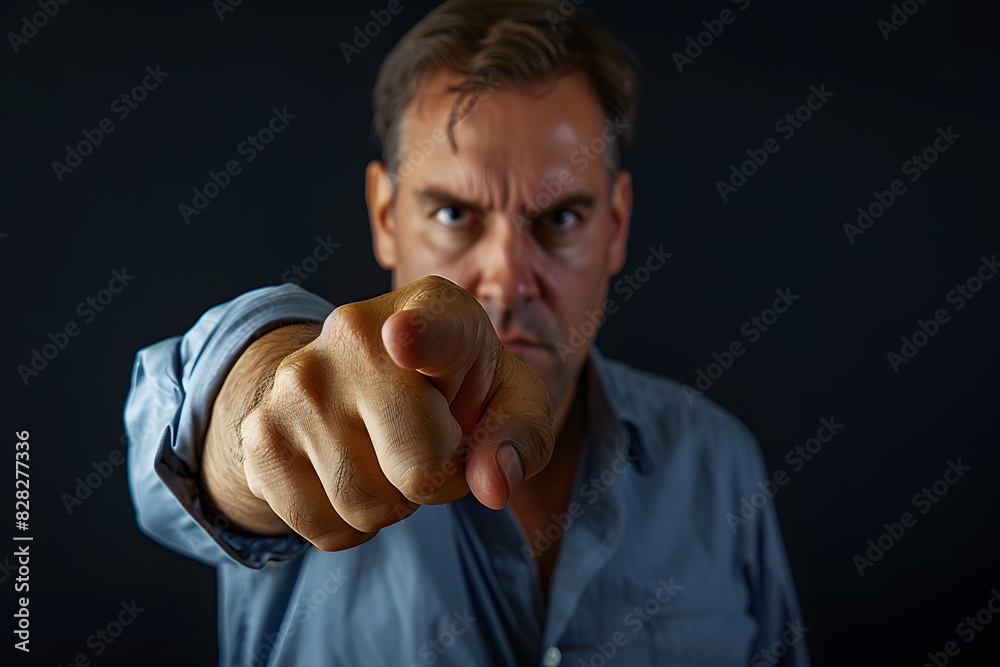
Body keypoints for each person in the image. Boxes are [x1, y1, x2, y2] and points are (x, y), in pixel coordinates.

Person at [125, 1, 809, 665]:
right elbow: (185, 452)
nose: (508, 279)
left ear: (618, 227)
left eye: (562, 218)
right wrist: (264, 391)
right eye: (455, 213)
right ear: (386, 216)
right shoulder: (307, 437)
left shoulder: (718, 463)